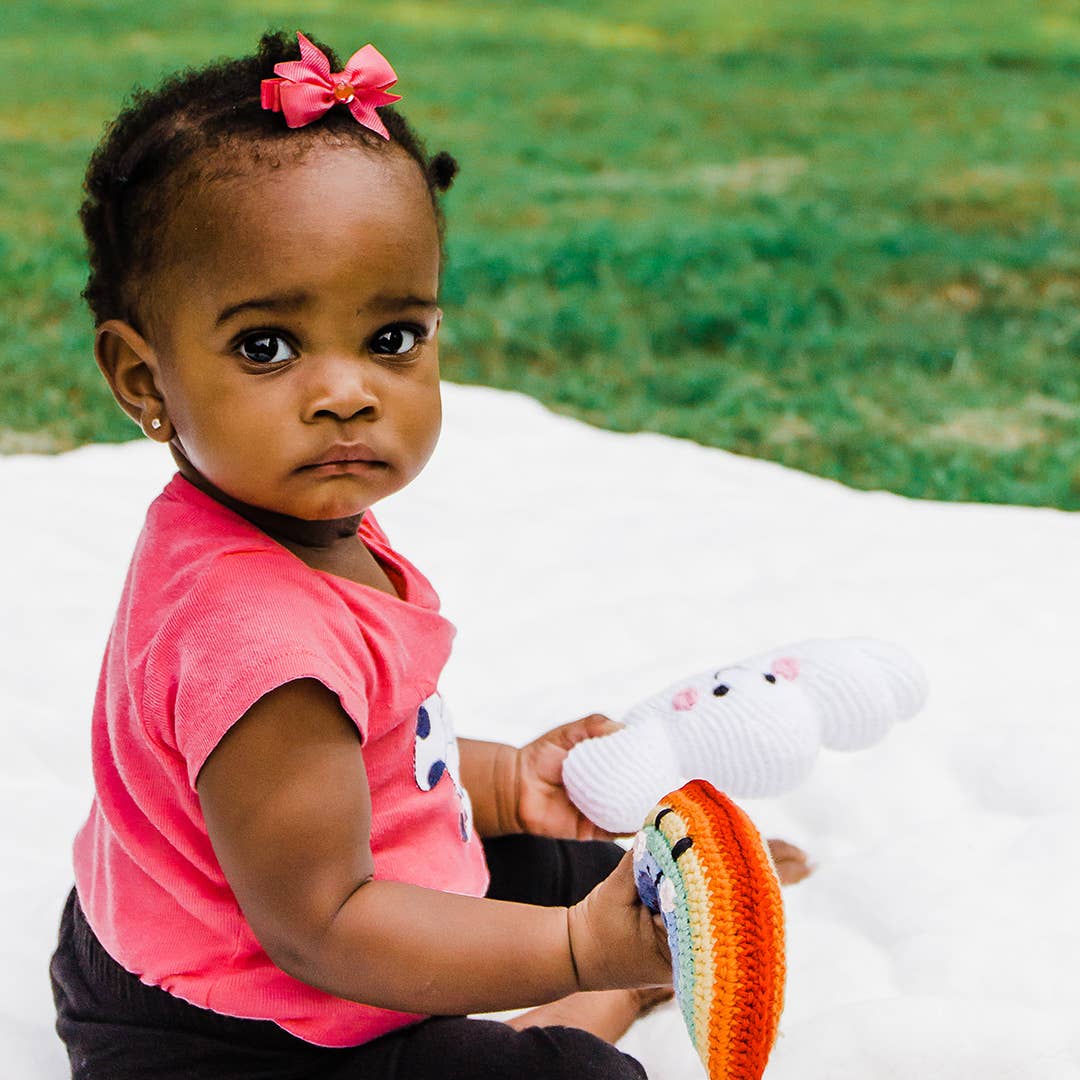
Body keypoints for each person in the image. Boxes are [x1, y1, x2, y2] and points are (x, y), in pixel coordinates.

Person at [49, 30, 809, 1079]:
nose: (346, 392)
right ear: (143, 379)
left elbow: (388, 753)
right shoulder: (257, 640)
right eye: (267, 346)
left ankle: (625, 943)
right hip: (234, 1032)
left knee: (563, 860)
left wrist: (509, 783)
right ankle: (610, 992)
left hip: (236, 901)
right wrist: (579, 950)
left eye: (392, 338)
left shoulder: (289, 509)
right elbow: (326, 927)